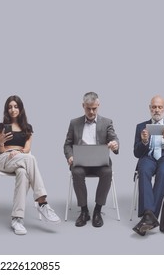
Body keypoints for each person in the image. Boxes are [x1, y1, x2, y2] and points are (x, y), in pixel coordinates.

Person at [0, 95, 60, 235]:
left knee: (23, 173)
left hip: (20, 158)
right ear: (7, 110)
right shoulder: (1, 127)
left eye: (16, 106)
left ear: (20, 108)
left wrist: (17, 151)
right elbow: (0, 149)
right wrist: (2, 142)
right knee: (31, 159)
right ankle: (42, 202)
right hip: (4, 159)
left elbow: (27, 148)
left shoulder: (27, 128)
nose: (13, 109)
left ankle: (17, 219)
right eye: (10, 107)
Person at [63, 92, 119, 228]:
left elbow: (114, 139)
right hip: (81, 162)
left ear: (98, 106)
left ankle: (98, 211)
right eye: (88, 108)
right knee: (76, 172)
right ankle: (84, 211)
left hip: (100, 162)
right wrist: (70, 156)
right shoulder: (74, 123)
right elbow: (67, 144)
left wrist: (115, 145)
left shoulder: (107, 122)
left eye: (94, 108)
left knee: (107, 172)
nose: (91, 111)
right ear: (83, 106)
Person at [132, 95, 164, 236]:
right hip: (148, 157)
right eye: (154, 107)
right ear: (150, 108)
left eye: (159, 107)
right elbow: (136, 153)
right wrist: (143, 142)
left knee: (162, 173)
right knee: (143, 171)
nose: (156, 110)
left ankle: (147, 218)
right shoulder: (141, 127)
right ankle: (150, 217)